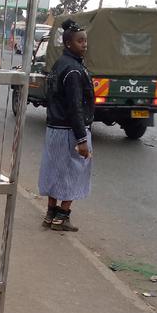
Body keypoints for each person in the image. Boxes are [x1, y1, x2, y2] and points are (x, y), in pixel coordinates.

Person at [38, 19, 94, 232]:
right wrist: (81, 140)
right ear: (68, 44)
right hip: (71, 131)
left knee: (55, 172)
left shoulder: (59, 65)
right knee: (75, 172)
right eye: (80, 41)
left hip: (55, 129)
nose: (84, 45)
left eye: (85, 41)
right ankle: (62, 218)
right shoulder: (73, 70)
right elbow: (75, 107)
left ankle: (50, 215)